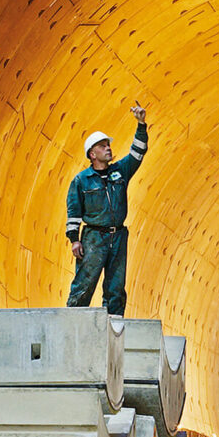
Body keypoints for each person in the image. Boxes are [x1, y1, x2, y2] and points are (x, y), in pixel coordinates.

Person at [65, 104, 148, 316]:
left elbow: (137, 153)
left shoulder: (120, 171)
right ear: (92, 154)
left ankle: (114, 330)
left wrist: (140, 124)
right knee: (84, 284)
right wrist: (75, 239)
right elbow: (73, 212)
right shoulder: (82, 180)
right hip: (94, 237)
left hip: (118, 236)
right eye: (102, 146)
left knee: (116, 289)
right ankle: (73, 324)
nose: (108, 148)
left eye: (108, 145)